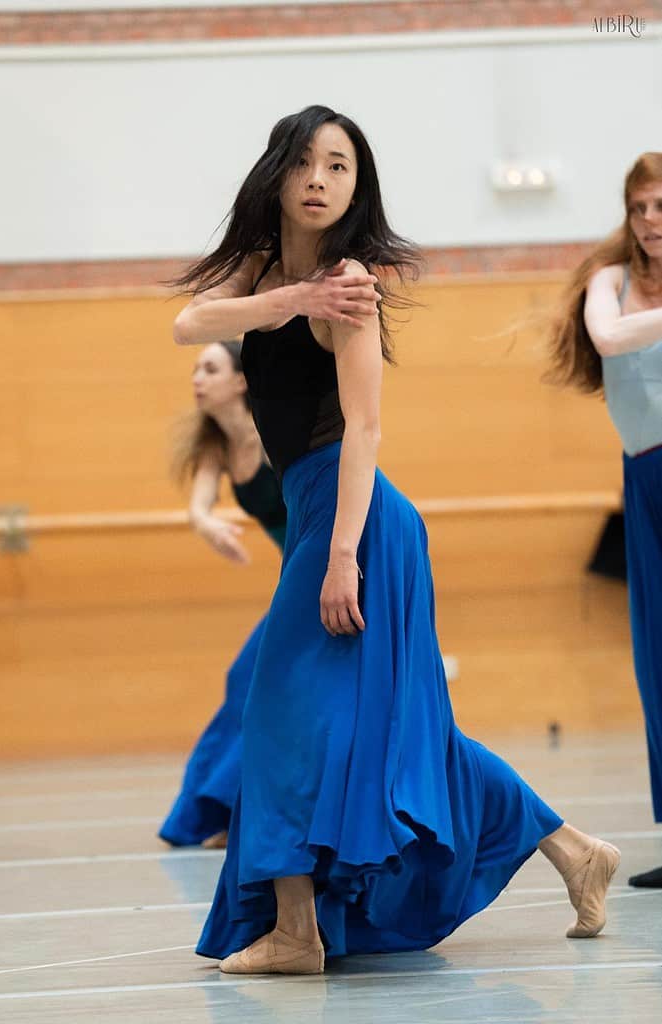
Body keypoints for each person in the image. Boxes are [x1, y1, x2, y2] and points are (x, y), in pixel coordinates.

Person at [173, 104, 620, 974]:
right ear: (277, 173)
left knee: (276, 719)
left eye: (337, 167)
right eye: (304, 163)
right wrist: (288, 299)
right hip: (325, 517)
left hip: (359, 520)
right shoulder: (264, 272)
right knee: (398, 731)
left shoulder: (353, 286)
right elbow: (187, 325)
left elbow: (364, 431)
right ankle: (573, 850)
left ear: (356, 185)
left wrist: (343, 557)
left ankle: (296, 934)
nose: (318, 180)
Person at [546, 151, 662, 889]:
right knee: (655, 657)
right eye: (639, 209)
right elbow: (609, 339)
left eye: (661, 208)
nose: (650, 222)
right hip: (645, 473)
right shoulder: (609, 283)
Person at [159, 339, 286, 849]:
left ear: (240, 381)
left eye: (209, 368)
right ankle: (225, 810)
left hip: (332, 572)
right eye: (195, 368)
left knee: (256, 682)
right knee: (248, 683)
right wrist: (207, 523)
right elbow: (199, 505)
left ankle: (233, 809)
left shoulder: (276, 435)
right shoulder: (217, 447)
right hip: (296, 577)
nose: (197, 377)